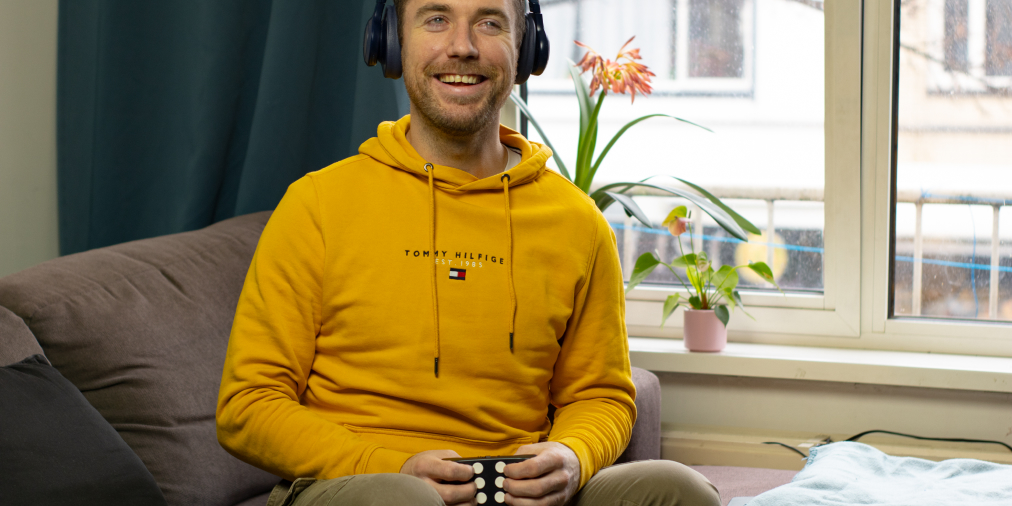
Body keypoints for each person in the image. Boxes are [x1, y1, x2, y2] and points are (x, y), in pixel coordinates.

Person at [215, 0, 721, 505]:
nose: (462, 46)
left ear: (525, 51)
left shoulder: (577, 222)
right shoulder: (318, 204)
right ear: (391, 42)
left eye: (489, 22)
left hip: (517, 491)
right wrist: (390, 467)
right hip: (359, 485)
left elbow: (599, 394)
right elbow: (248, 405)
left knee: (677, 490)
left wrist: (573, 454)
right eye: (436, 19)